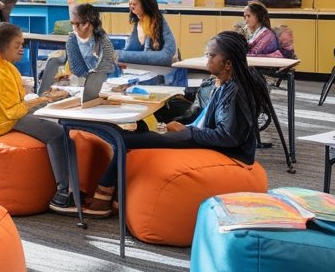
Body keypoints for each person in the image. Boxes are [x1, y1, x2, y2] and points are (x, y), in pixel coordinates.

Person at [72, 30, 277, 217]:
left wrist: (187, 132)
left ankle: (102, 200)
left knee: (124, 139)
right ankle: (116, 197)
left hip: (220, 149)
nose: (207, 59)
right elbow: (204, 117)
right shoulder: (222, 83)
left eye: (211, 55)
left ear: (228, 63)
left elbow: (228, 137)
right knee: (138, 128)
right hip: (198, 134)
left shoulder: (234, 91)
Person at [0, 22, 78, 214]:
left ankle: (73, 187)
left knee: (61, 129)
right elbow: (13, 112)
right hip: (2, 123)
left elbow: (15, 100)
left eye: (22, 44)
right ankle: (63, 194)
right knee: (57, 133)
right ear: (3, 46)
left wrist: (41, 98)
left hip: (6, 116)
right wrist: (43, 99)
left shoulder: (4, 66)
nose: (22, 49)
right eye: (17, 46)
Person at [41, 3, 121, 95]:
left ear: (88, 25)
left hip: (105, 86)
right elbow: (77, 70)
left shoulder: (102, 41)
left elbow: (105, 72)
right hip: (78, 86)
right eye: (73, 24)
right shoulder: (72, 39)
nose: (75, 28)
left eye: (78, 24)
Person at [118, 0, 181, 85]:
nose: (131, 7)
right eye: (130, 4)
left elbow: (167, 55)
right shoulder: (138, 23)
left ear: (145, 6)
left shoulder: (159, 23)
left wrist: (119, 55)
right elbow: (130, 50)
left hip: (161, 75)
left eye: (134, 4)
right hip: (143, 73)